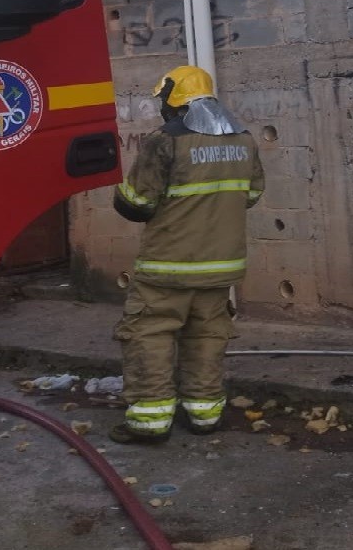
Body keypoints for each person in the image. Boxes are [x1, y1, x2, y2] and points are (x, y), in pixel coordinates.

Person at [106, 64, 262, 445]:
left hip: (168, 267)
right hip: (221, 268)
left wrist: (121, 193)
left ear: (173, 100)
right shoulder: (243, 139)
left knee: (150, 334)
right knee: (207, 336)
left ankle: (150, 421)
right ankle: (205, 414)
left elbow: (137, 204)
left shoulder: (165, 141)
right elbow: (252, 195)